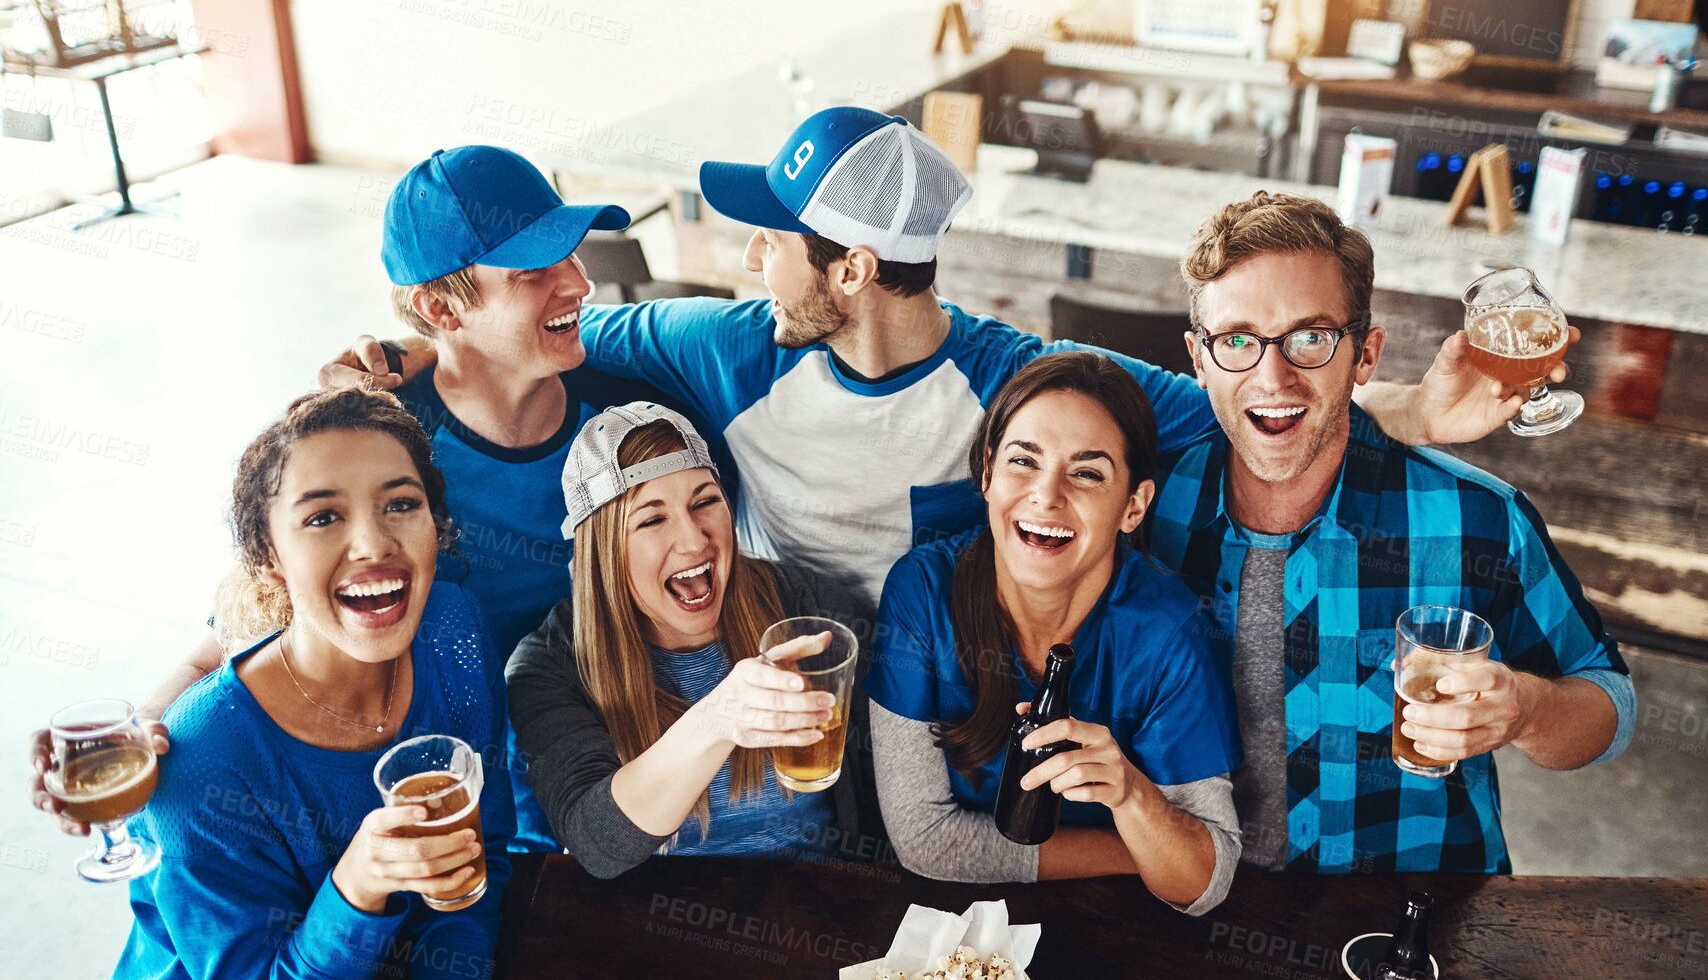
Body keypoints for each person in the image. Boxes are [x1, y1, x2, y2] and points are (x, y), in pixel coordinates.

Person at [321, 109, 1551, 613]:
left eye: (776, 241)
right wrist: (382, 365)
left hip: (940, 699)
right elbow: (538, 346)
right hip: (766, 669)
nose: (751, 262)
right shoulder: (721, 347)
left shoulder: (1020, 384)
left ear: (851, 269)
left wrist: (1416, 412)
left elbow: (1249, 401)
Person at [29, 145, 668, 852]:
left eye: (573, 255)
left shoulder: (628, 416)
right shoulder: (375, 445)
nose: (579, 283)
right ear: (437, 306)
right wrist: (144, 720)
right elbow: (259, 613)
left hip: (618, 780)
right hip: (454, 804)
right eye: (535, 272)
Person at [1150, 190, 1636, 873]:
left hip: (1422, 916)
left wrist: (1526, 711)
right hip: (1196, 900)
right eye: (1236, 341)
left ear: (1366, 355)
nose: (1273, 375)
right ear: (1198, 360)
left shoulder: (1479, 518)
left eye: (1312, 337)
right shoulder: (1140, 505)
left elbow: (1610, 704)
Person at [80, 388, 512, 980]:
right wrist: (360, 879)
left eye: (400, 503)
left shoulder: (454, 633)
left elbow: (485, 850)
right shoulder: (202, 763)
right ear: (267, 558)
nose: (374, 542)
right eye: (322, 516)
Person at [868, 353, 1241, 914]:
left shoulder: (1171, 633)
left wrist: (1133, 796)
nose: (1047, 495)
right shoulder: (921, 591)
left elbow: (1203, 885)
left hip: (1117, 923)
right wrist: (1137, 850)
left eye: (1087, 472)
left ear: (1134, 507)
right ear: (988, 475)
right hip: (955, 920)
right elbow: (924, 841)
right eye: (1024, 462)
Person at [505, 403, 879, 876]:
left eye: (704, 502)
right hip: (655, 920)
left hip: (816, 903)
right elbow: (595, 843)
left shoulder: (807, 606)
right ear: (603, 552)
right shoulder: (547, 665)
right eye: (651, 520)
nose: (694, 540)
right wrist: (718, 719)